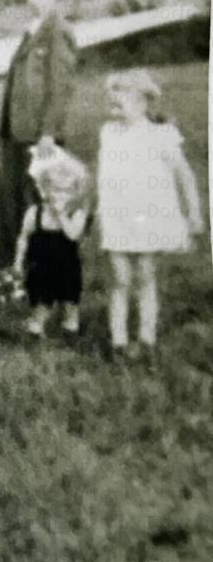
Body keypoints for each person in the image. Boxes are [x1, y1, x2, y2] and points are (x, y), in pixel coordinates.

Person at [96, 69, 203, 358]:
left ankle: (147, 339)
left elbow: (184, 175)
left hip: (149, 215)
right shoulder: (108, 132)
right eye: (111, 103)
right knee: (119, 278)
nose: (113, 109)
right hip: (118, 216)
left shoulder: (161, 135)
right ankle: (118, 342)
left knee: (145, 275)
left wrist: (193, 212)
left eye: (120, 103)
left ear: (143, 103)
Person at [0, 0, 77, 268]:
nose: (34, 1)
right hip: (17, 129)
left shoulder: (59, 31)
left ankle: (40, 259)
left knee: (39, 195)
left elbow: (60, 87)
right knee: (13, 194)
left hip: (38, 133)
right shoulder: (32, 30)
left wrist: (48, 132)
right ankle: (15, 261)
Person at [13, 147, 90, 338]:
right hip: (41, 266)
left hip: (67, 267)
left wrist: (61, 215)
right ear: (45, 189)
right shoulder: (35, 213)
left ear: (75, 192)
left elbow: (73, 235)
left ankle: (70, 326)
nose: (60, 196)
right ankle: (36, 328)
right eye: (56, 190)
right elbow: (23, 236)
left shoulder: (76, 213)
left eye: (67, 191)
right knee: (42, 300)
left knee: (69, 300)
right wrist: (17, 261)